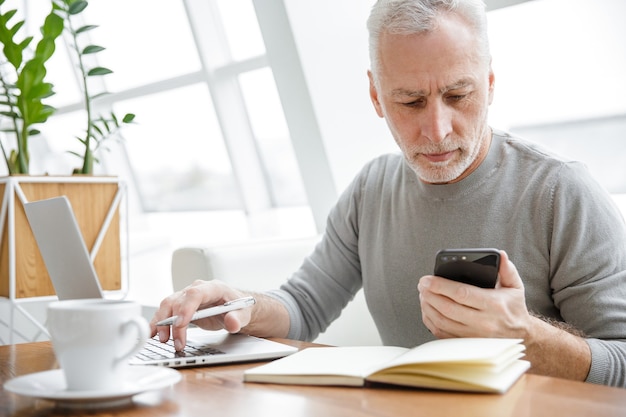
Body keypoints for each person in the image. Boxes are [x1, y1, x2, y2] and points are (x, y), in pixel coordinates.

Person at [151, 0, 626, 387]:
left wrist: (524, 336)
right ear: (377, 96)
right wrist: (239, 305)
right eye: (410, 102)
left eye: (459, 95)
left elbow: (622, 363)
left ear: (490, 84)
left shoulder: (561, 191)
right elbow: (302, 307)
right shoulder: (371, 188)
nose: (437, 130)